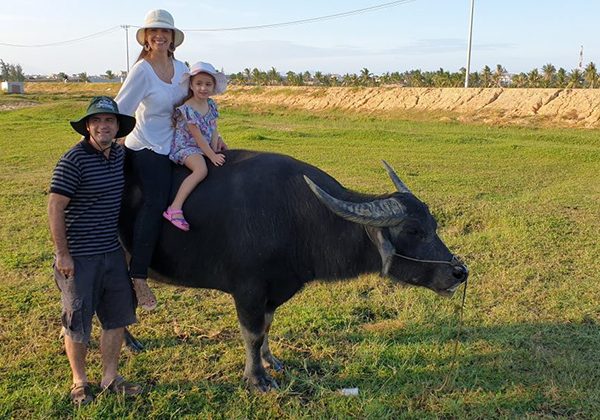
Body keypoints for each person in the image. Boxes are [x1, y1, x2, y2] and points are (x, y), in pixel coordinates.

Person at [48, 96, 142, 405]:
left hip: (112, 252)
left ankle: (110, 376)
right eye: (97, 121)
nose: (104, 126)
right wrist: (63, 254)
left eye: (110, 121)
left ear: (117, 128)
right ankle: (79, 381)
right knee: (77, 321)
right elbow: (55, 207)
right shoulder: (73, 160)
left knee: (116, 318)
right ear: (88, 126)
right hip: (78, 257)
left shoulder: (118, 155)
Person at [115, 9, 188, 310]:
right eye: (153, 32)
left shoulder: (182, 68)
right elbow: (121, 108)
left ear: (173, 38)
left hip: (175, 144)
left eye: (165, 32)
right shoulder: (142, 71)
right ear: (146, 39)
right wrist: (99, 143)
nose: (160, 36)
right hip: (146, 145)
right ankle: (140, 275)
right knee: (155, 199)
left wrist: (212, 135)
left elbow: (194, 103)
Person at [163, 61, 228, 230]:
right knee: (201, 170)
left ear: (213, 87)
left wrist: (215, 145)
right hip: (186, 147)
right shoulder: (188, 108)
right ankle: (175, 208)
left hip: (203, 145)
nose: (203, 88)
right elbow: (197, 136)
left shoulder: (211, 104)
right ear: (191, 85)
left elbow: (213, 128)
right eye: (198, 84)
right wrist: (211, 155)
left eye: (208, 84)